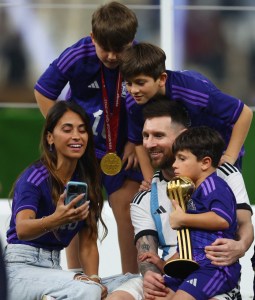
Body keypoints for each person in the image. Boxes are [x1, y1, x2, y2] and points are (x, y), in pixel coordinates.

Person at [107, 98, 253, 300]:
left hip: (215, 272)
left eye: (158, 135)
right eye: (145, 136)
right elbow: (151, 252)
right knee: (118, 297)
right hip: (174, 270)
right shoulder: (145, 196)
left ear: (182, 136)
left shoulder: (223, 176)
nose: (150, 143)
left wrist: (241, 246)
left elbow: (241, 224)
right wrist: (152, 272)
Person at [34, 1, 141, 274]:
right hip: (84, 149)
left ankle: (131, 279)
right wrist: (66, 133)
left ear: (131, 41)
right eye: (105, 49)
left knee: (126, 209)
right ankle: (77, 278)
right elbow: (43, 91)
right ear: (92, 38)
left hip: (123, 148)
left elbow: (148, 103)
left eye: (121, 49)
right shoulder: (77, 55)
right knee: (79, 212)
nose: (113, 56)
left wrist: (133, 142)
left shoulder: (138, 56)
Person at [3, 101, 139, 300]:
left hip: (54, 270)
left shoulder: (86, 180)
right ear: (50, 137)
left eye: (82, 130)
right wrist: (56, 219)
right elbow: (22, 229)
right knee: (85, 290)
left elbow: (88, 241)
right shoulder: (35, 178)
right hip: (20, 268)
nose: (76, 136)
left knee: (137, 280)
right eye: (67, 129)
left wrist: (93, 278)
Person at [119, 42, 253, 181]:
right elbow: (138, 142)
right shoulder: (132, 102)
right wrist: (149, 181)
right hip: (185, 152)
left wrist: (230, 156)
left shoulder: (193, 89)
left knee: (217, 198)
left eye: (140, 83)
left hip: (219, 148)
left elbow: (244, 114)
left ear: (162, 79)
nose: (133, 90)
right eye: (129, 83)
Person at [163, 126, 241, 299]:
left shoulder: (215, 186)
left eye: (181, 159)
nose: (174, 165)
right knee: (157, 293)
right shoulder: (192, 191)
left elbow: (222, 219)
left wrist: (183, 218)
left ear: (205, 162)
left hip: (215, 267)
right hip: (193, 265)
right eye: (175, 158)